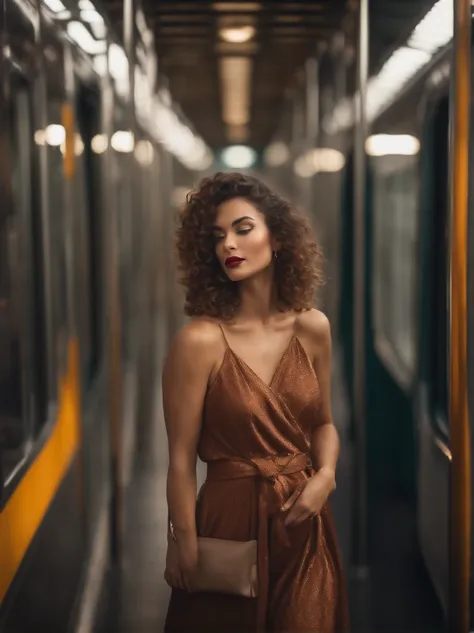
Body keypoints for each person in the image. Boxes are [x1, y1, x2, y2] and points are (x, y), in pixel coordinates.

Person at [163, 172, 349, 633]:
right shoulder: (199, 342)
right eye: (218, 236)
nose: (229, 243)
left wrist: (325, 476)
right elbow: (181, 460)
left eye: (243, 229)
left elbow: (324, 424)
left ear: (278, 239)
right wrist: (184, 540)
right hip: (227, 520)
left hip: (303, 518)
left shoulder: (313, 328)